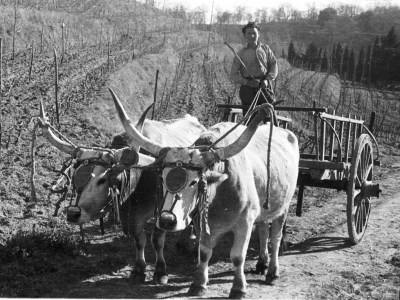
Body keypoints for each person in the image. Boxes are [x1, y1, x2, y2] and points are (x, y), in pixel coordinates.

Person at [230, 22, 278, 118]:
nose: (252, 36)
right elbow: (233, 75)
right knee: (249, 119)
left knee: (269, 118)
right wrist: (248, 82)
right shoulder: (240, 54)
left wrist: (267, 80)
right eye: (249, 33)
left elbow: (274, 65)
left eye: (254, 33)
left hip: (265, 88)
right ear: (244, 35)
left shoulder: (266, 49)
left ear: (258, 34)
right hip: (247, 91)